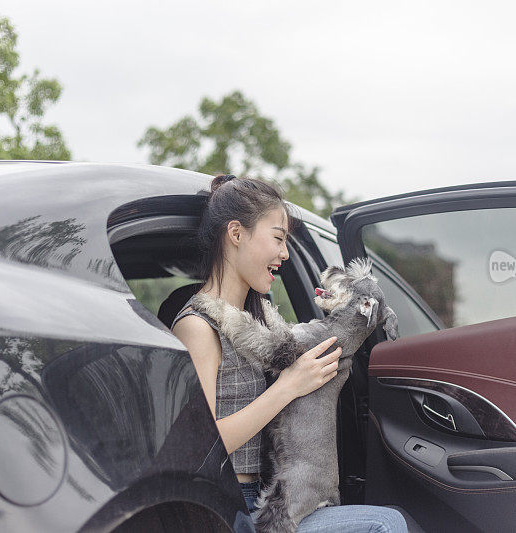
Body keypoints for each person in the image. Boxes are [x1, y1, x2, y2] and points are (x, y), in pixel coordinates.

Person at [171, 175, 407, 532]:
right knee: (384, 525)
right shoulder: (198, 327)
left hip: (269, 495)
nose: (284, 253)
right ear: (236, 234)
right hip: (227, 503)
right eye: (278, 239)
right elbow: (200, 444)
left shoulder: (262, 320)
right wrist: (288, 387)